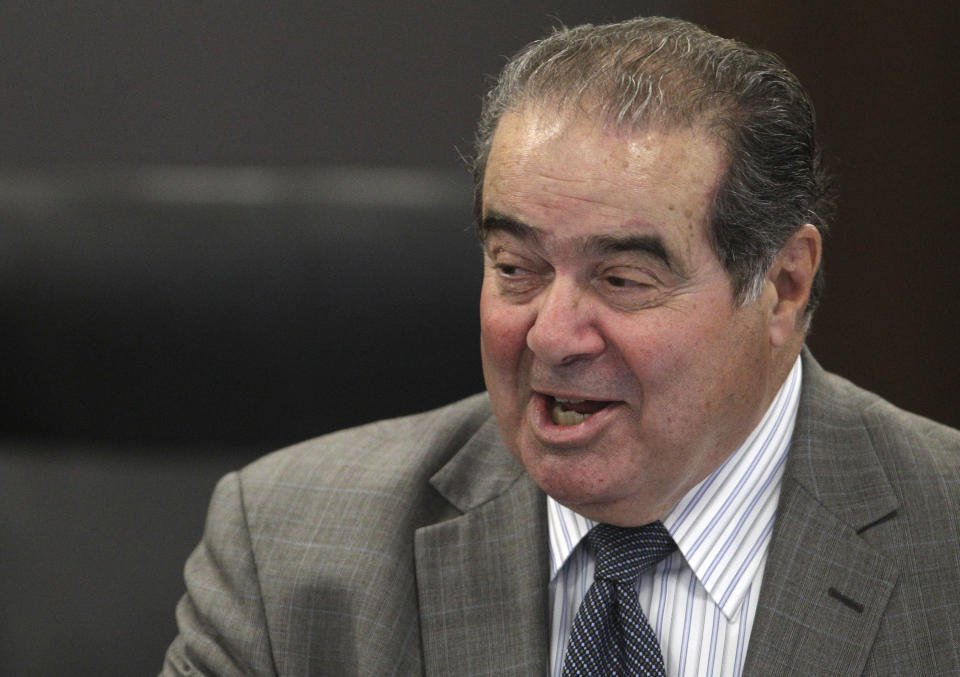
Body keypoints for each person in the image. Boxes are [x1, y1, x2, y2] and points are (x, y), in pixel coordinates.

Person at [162, 16, 960, 676]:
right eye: (517, 268)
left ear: (783, 285)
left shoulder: (943, 544)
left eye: (622, 279)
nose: (551, 333)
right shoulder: (289, 552)